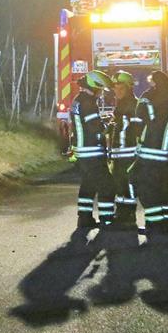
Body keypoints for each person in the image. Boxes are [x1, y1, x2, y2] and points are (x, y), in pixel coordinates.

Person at [130, 70, 168, 234]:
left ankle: (153, 226)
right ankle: (164, 225)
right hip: (167, 156)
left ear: (155, 83)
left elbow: (138, 122)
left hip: (149, 153)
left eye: (151, 83)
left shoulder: (149, 98)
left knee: (147, 190)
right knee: (163, 191)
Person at [70, 69, 114, 228]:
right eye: (100, 89)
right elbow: (95, 127)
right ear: (94, 87)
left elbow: (87, 121)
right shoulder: (88, 103)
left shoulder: (78, 100)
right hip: (92, 151)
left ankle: (84, 219)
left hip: (83, 151)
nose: (101, 93)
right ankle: (107, 220)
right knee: (107, 185)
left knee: (88, 185)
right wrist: (109, 125)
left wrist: (102, 119)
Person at [106, 71, 143, 228]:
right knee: (119, 185)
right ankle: (121, 213)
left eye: (120, 88)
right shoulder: (120, 105)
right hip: (118, 154)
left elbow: (138, 129)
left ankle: (129, 215)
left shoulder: (134, 105)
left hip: (129, 153)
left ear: (129, 88)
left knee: (128, 185)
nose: (117, 91)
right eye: (115, 88)